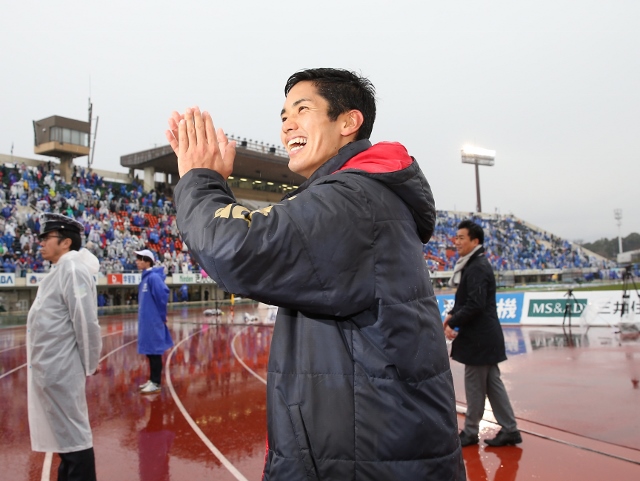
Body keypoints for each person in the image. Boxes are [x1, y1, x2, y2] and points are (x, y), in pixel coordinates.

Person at [166, 68, 465, 480]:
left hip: (364, 460)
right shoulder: (362, 195)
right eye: (283, 115)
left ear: (348, 122)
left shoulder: (353, 199)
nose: (287, 124)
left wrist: (201, 179)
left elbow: (236, 248)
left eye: (302, 109)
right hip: (370, 447)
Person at [26, 213, 102, 481]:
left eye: (47, 237)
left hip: (63, 369)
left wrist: (90, 364)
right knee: (65, 440)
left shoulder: (72, 270)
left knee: (74, 438)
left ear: (66, 242)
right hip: (52, 370)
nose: (41, 243)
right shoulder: (60, 270)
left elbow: (85, 321)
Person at [444, 219, 522, 447]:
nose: (457, 242)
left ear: (475, 241)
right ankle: (510, 429)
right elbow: (469, 301)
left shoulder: (477, 267)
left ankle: (470, 432)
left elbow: (475, 304)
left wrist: (452, 322)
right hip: (485, 338)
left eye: (461, 238)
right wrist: (453, 316)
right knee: (493, 385)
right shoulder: (473, 264)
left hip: (479, 340)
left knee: (475, 386)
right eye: (456, 238)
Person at [135, 248, 172, 394]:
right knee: (150, 352)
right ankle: (152, 379)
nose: (137, 262)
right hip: (147, 322)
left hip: (153, 321)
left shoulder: (153, 278)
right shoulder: (145, 278)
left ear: (147, 261)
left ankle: (156, 382)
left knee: (155, 352)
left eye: (140, 259)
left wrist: (162, 316)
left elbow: (162, 296)